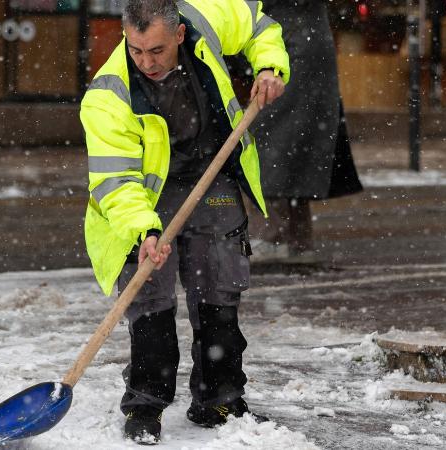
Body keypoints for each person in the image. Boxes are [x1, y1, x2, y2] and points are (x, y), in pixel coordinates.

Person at [79, 0, 289, 444]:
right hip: (146, 197)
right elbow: (115, 181)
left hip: (212, 177)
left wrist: (270, 67)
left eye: (156, 50)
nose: (146, 62)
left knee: (219, 290)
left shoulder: (206, 19)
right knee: (149, 298)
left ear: (178, 34)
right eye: (136, 50)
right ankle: (145, 405)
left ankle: (219, 398)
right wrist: (145, 230)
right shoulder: (107, 96)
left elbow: (259, 25)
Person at [246, 0, 363, 263]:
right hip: (296, 45)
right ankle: (295, 239)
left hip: (291, 48)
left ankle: (273, 236)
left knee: (270, 141)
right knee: (291, 143)